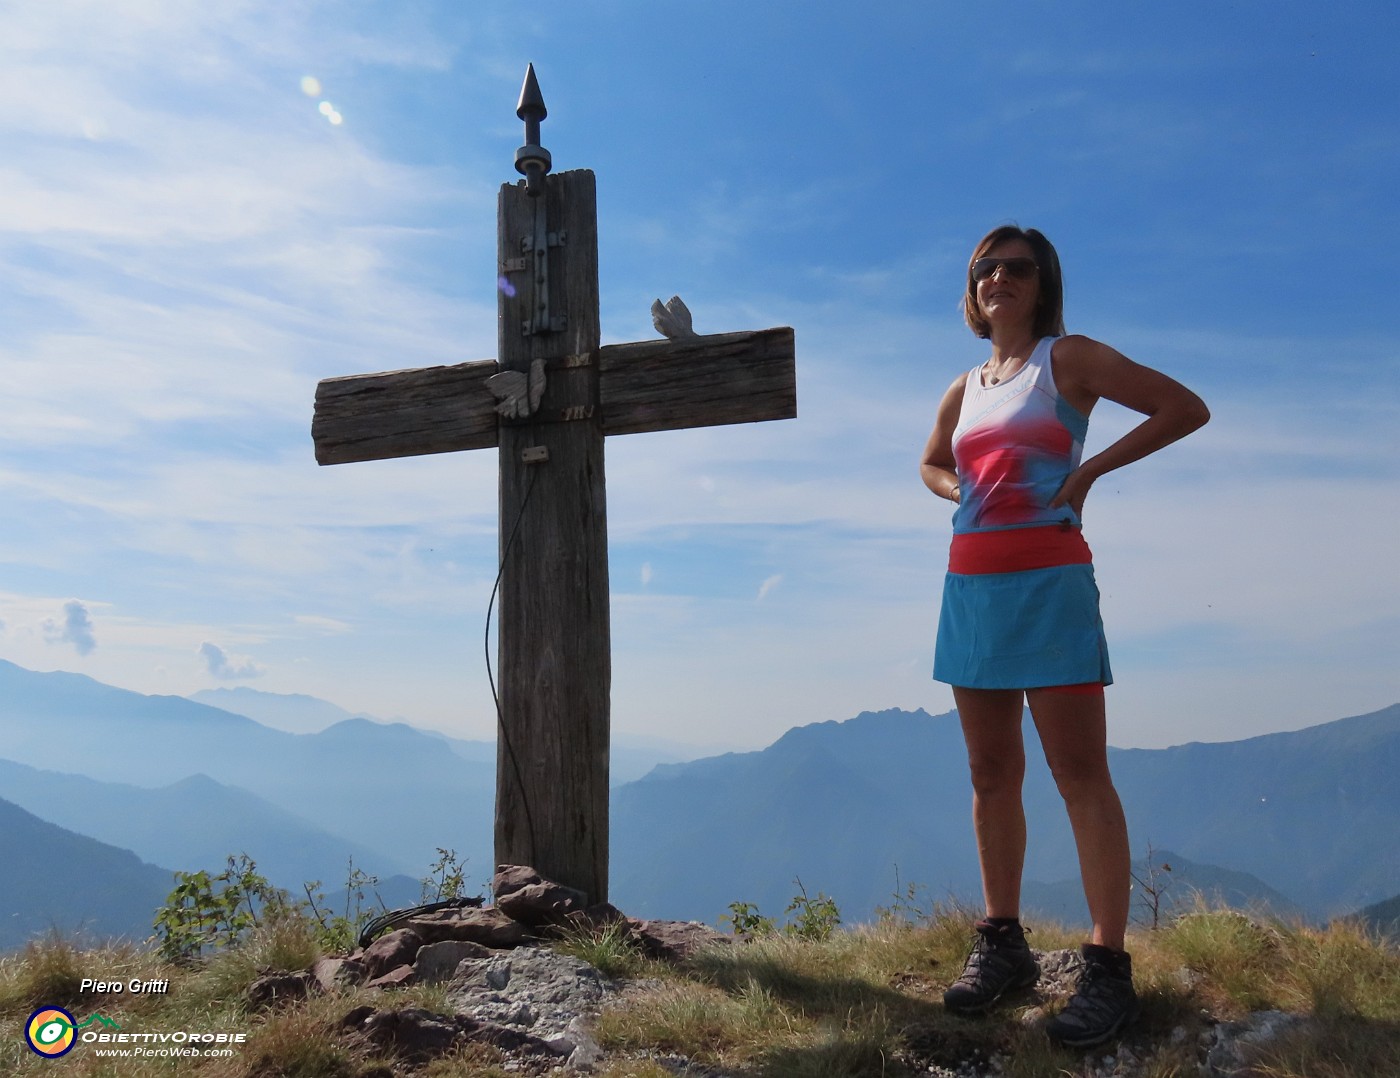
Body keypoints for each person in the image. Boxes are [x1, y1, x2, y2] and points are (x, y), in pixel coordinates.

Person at [919, 225, 1209, 1047]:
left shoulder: (1068, 359)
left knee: (1079, 772)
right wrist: (959, 489)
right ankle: (1002, 942)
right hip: (971, 588)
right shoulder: (965, 386)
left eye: (1018, 268)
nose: (1000, 277)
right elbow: (932, 462)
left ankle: (1107, 969)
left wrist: (1086, 473)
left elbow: (1184, 407)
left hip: (1049, 582)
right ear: (972, 286)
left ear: (1042, 286)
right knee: (989, 771)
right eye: (987, 267)